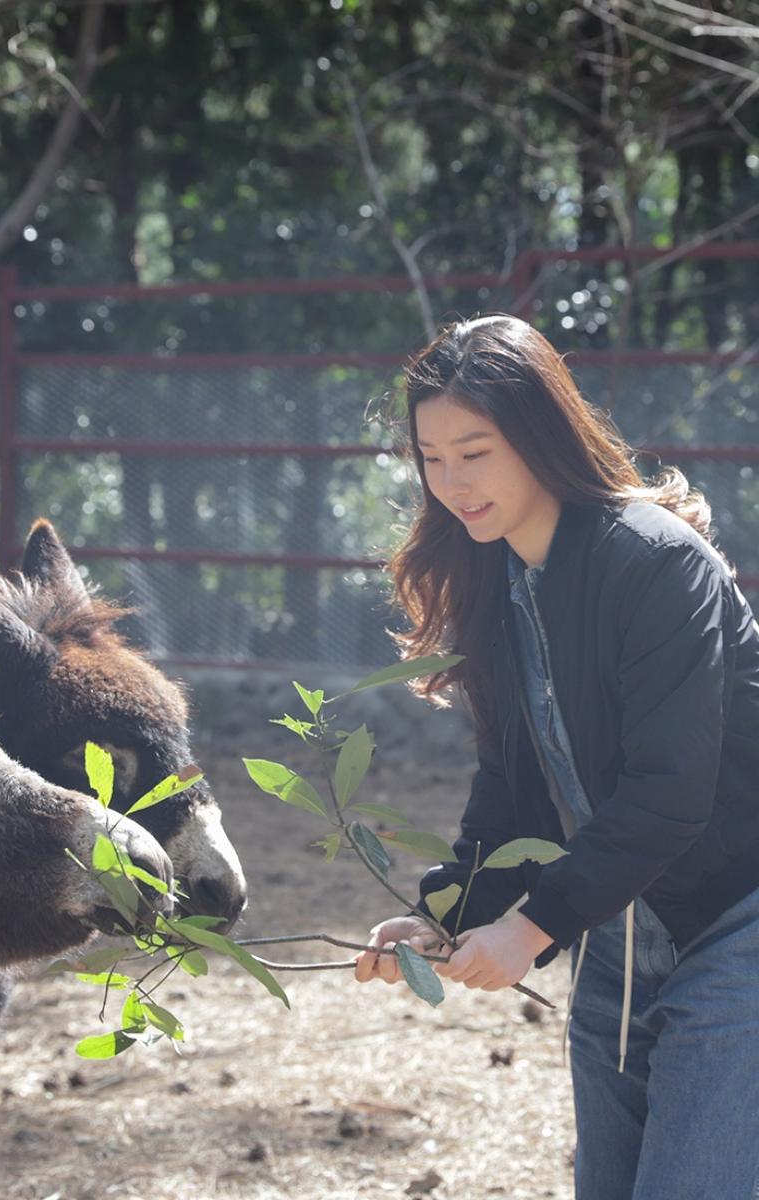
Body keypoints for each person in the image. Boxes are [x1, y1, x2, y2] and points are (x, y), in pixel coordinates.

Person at [352, 314, 759, 1200]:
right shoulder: (495, 579)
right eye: (431, 457)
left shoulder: (657, 564)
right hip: (614, 936)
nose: (452, 482)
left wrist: (531, 928)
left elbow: (669, 792)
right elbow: (513, 782)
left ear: (540, 433)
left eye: (476, 450)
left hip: (736, 931)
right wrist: (446, 915)